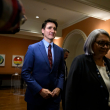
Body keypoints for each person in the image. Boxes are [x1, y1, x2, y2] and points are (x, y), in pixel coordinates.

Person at [21, 19, 65, 110]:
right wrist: (40, 90)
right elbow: (25, 72)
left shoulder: (60, 51)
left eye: (54, 28)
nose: (52, 31)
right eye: (49, 28)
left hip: (54, 99)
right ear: (43, 30)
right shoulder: (33, 48)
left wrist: (59, 87)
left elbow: (61, 72)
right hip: (36, 98)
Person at [65, 29, 110, 110]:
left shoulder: (109, 63)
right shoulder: (80, 61)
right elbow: (70, 93)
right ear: (91, 43)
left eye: (107, 44)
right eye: (101, 43)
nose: (105, 46)